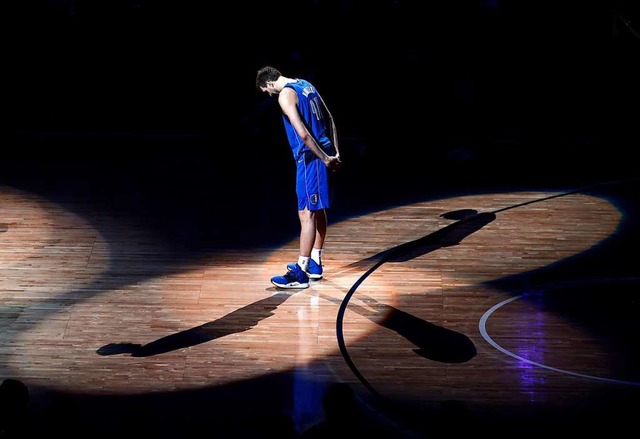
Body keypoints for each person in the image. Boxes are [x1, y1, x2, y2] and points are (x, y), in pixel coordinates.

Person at [256, 66, 342, 289]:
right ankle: (315, 262)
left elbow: (303, 133)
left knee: (306, 213)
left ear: (269, 84)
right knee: (318, 209)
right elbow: (330, 118)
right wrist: (336, 151)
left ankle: (301, 272)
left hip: (310, 158)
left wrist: (324, 158)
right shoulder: (306, 84)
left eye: (265, 91)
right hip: (325, 151)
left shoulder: (285, 94)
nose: (268, 95)